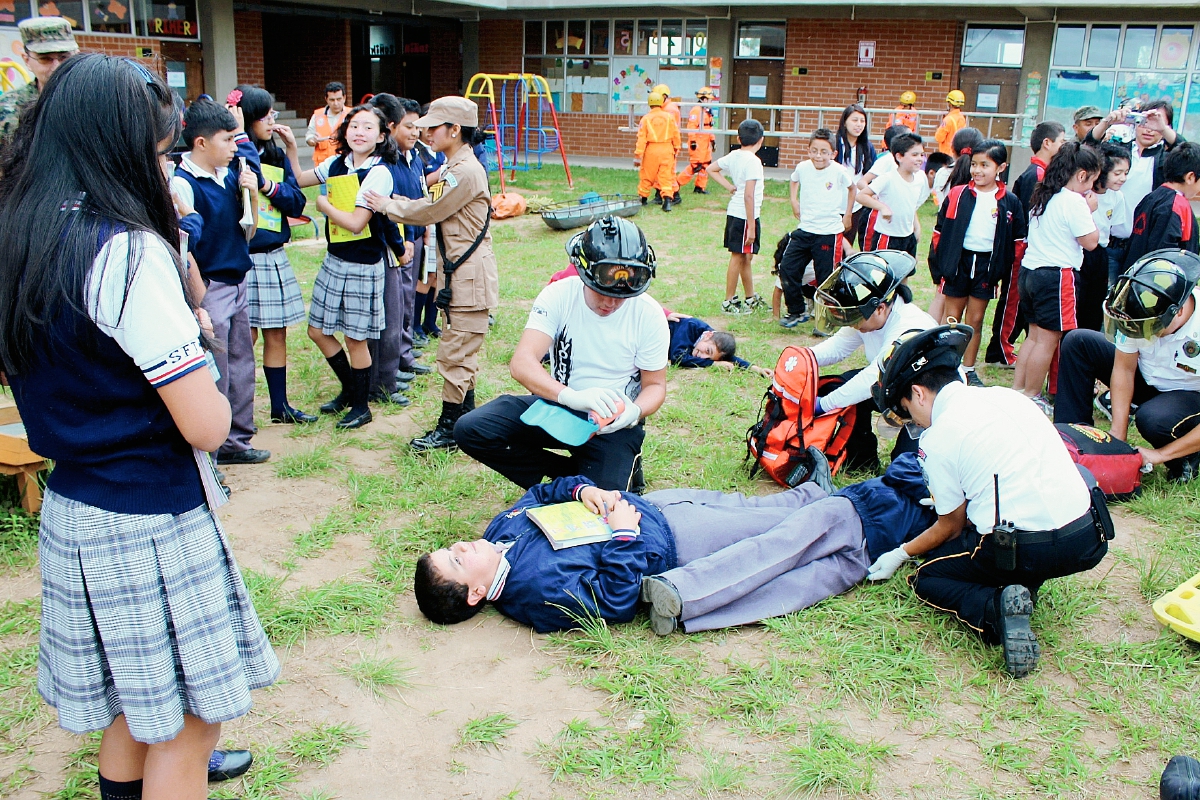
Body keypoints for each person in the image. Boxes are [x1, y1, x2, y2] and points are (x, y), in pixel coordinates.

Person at [0, 53, 279, 799]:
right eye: (159, 151)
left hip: (77, 508)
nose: (164, 167)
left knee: (135, 711)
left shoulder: (19, 231)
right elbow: (206, 423)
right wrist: (197, 344)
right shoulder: (122, 251)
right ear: (119, 145)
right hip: (150, 517)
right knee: (189, 726)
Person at [411, 453, 937, 635]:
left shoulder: (496, 535)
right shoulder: (536, 595)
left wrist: (585, 490)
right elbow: (613, 599)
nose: (464, 544)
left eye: (452, 546)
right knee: (766, 532)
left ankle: (815, 493)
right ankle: (890, 517)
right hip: (673, 542)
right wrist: (621, 533)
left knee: (753, 506)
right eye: (458, 559)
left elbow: (544, 491)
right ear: (476, 593)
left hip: (654, 505)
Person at [868, 325, 1110, 678]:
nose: (912, 422)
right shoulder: (1011, 397)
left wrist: (900, 553)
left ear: (918, 393)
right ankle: (1023, 586)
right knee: (1015, 548)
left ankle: (995, 608)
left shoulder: (938, 437)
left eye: (907, 411)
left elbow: (950, 526)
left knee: (929, 575)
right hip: (1087, 535)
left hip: (1024, 546)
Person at [453, 216, 666, 491]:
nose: (611, 302)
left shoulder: (649, 314)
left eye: (622, 296)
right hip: (561, 404)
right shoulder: (558, 295)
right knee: (471, 428)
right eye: (601, 291)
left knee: (605, 507)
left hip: (613, 422)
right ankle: (565, 478)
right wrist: (572, 396)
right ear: (582, 272)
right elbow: (522, 363)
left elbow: (655, 386)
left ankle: (610, 472)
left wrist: (635, 411)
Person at [368, 96, 499, 451]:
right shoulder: (455, 165)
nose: (426, 133)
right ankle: (466, 426)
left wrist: (386, 205)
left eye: (433, 127)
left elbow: (430, 210)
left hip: (469, 277)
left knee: (455, 355)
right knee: (461, 352)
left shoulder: (463, 171)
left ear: (455, 130)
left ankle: (450, 429)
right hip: (462, 275)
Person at [171, 98, 271, 465]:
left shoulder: (231, 175)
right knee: (216, 373)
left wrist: (252, 195)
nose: (235, 147)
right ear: (201, 143)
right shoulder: (182, 185)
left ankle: (236, 441)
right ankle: (209, 457)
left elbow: (249, 229)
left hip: (238, 279)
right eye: (228, 139)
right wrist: (199, 300)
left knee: (242, 365)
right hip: (210, 287)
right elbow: (185, 250)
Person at [290, 103, 399, 430]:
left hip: (364, 264)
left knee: (356, 339)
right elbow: (299, 179)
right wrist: (291, 147)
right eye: (354, 126)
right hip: (334, 260)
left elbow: (355, 223)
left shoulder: (379, 172)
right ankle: (351, 389)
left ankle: (361, 406)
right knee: (316, 330)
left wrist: (322, 205)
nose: (359, 132)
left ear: (381, 136)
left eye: (368, 128)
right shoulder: (336, 163)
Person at [1056, 250, 1200, 483]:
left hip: (1189, 396)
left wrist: (1160, 455)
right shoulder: (1136, 310)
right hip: (1150, 378)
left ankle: (1186, 458)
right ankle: (1071, 442)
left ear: (1179, 312)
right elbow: (1124, 369)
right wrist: (1117, 436)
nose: (1138, 333)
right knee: (1078, 342)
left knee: (1152, 418)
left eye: (1148, 329)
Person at [235, 85, 317, 425]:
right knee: (244, 338)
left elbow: (297, 203)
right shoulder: (234, 155)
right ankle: (239, 413)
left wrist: (270, 186)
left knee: (277, 333)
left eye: (273, 114)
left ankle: (280, 407)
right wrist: (239, 137)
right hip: (245, 257)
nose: (272, 120)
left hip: (273, 253)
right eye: (264, 115)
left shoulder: (273, 153)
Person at [810, 249, 936, 471]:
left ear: (879, 308)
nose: (852, 324)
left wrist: (825, 405)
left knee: (904, 467)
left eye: (855, 318)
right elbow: (838, 346)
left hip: (926, 406)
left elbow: (873, 376)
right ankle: (861, 460)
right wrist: (803, 357)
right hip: (895, 390)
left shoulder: (909, 327)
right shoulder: (870, 316)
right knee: (838, 386)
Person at [1011, 143, 1101, 415]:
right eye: (1092, 180)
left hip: (1030, 272)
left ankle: (1019, 389)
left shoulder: (1044, 194)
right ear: (1083, 175)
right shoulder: (1075, 201)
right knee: (1048, 341)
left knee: (1034, 336)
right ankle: (1032, 394)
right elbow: (1091, 243)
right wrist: (1091, 210)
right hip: (1057, 275)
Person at [930, 139, 1026, 386]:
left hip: (986, 266)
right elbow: (940, 231)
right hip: (958, 262)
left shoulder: (1010, 201)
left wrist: (1004, 270)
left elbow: (1016, 241)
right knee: (952, 317)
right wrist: (940, 265)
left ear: (1001, 167)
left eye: (985, 165)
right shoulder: (958, 194)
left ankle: (969, 369)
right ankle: (945, 366)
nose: (978, 170)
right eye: (974, 164)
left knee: (974, 319)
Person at [367, 93, 434, 407]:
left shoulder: (415, 157)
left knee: (407, 303)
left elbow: (420, 196)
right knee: (393, 309)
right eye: (409, 126)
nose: (414, 133)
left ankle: (403, 358)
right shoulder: (387, 164)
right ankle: (388, 371)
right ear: (391, 127)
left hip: (416, 237)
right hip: (398, 242)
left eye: (417, 127)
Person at [986, 120, 1066, 368]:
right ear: (1047, 143)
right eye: (1062, 141)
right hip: (1021, 248)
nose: (1063, 146)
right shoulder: (1037, 175)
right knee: (1012, 301)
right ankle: (1000, 350)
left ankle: (1002, 347)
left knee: (1020, 302)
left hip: (1028, 250)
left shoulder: (1041, 172)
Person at [1087, 100, 1187, 271]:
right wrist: (1107, 122)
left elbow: (1188, 154)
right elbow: (1088, 147)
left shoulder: (1166, 160)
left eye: (1156, 123)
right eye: (1144, 121)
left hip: (1142, 246)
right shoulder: (1119, 151)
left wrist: (1162, 128)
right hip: (1109, 244)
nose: (1149, 128)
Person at [778, 129, 855, 329]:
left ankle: (826, 321)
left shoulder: (838, 171)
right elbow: (794, 180)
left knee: (826, 278)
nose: (818, 156)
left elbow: (852, 188)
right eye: (814, 151)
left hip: (828, 233)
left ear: (833, 154)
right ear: (808, 150)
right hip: (805, 230)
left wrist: (847, 214)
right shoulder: (803, 167)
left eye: (823, 152)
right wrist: (793, 200)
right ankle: (796, 310)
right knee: (787, 267)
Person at [709, 119, 767, 315]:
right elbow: (748, 195)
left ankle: (750, 297)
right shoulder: (753, 162)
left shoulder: (734, 155)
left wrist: (729, 186)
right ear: (761, 140)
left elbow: (711, 169)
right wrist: (751, 225)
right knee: (737, 256)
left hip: (739, 214)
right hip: (744, 216)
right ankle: (729, 301)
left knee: (746, 256)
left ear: (738, 138)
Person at [0, 17, 78, 148]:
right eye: (45, 59)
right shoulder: (7, 109)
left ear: (77, 55)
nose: (56, 67)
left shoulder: (94, 101)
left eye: (64, 57)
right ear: (27, 60)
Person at [1078, 142, 1131, 329]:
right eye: (1117, 173)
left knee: (1096, 302)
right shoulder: (1084, 194)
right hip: (1080, 251)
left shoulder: (1117, 197)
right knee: (1078, 301)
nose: (1122, 178)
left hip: (1101, 253)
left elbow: (1117, 228)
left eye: (1126, 173)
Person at [1122, 141, 1200, 270]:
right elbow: (1165, 254)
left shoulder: (1151, 197)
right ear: (1190, 177)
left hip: (1136, 274)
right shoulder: (1176, 204)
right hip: (1156, 281)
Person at [857, 132, 930, 257]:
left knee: (904, 273)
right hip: (887, 236)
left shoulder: (921, 178)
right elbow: (861, 196)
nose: (920, 159)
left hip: (907, 236)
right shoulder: (888, 178)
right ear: (899, 157)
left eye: (922, 154)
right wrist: (882, 207)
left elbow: (912, 207)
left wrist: (916, 226)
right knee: (883, 273)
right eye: (914, 154)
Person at [666, 312, 771, 376]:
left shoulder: (712, 341)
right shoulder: (690, 326)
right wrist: (713, 364)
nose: (702, 356)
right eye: (707, 351)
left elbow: (727, 357)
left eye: (708, 358)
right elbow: (678, 358)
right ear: (708, 335)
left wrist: (754, 368)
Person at [835, 104, 876, 249]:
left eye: (862, 121)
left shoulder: (867, 147)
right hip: (833, 202)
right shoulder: (835, 144)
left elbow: (872, 173)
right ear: (845, 122)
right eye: (854, 120)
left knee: (847, 243)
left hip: (856, 205)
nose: (859, 125)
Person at [634, 91, 681, 212]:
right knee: (666, 176)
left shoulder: (645, 119)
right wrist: (676, 148)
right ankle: (667, 202)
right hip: (667, 149)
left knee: (647, 175)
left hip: (651, 150)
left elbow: (641, 138)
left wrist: (638, 155)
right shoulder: (669, 117)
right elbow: (676, 134)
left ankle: (643, 199)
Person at [675, 86, 716, 195]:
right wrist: (693, 141)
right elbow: (691, 127)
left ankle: (700, 187)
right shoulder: (696, 110)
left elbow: (709, 127)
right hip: (697, 143)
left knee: (705, 165)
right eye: (710, 99)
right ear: (704, 99)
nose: (711, 101)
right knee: (695, 166)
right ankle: (676, 183)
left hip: (705, 143)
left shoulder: (707, 111)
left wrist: (712, 140)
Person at [306, 81, 348, 167]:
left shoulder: (351, 115)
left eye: (339, 99)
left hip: (344, 162)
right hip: (322, 165)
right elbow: (309, 136)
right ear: (326, 99)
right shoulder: (317, 115)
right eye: (332, 100)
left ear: (344, 98)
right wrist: (312, 140)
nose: (336, 103)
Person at [934, 89, 968, 157]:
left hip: (947, 154)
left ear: (949, 103)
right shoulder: (962, 118)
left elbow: (939, 138)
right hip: (957, 154)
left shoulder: (948, 119)